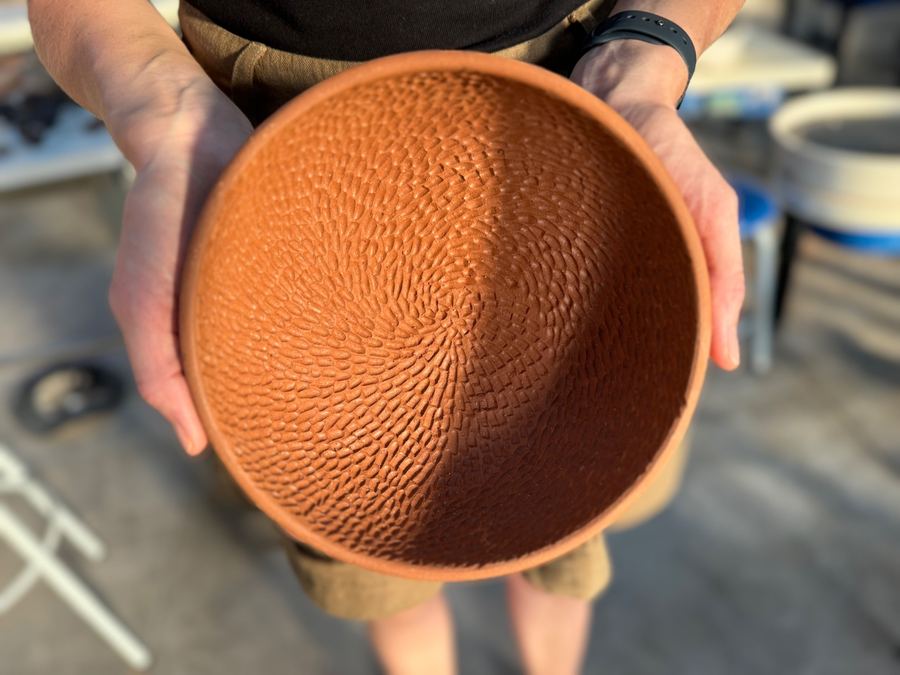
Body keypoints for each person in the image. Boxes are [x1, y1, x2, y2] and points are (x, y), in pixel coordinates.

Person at [29, 1, 746, 673]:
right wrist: (164, 107)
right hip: (269, 126)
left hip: (581, 88)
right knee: (372, 547)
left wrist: (652, 44)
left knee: (575, 506)